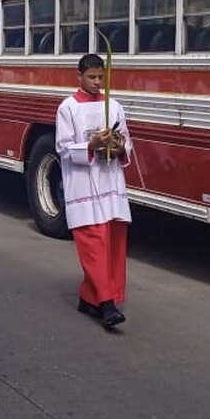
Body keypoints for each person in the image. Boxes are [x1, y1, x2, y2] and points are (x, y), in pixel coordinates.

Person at [56, 53, 133, 331]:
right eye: (91, 77)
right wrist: (92, 144)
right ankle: (106, 303)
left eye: (101, 77)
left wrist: (118, 143)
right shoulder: (68, 108)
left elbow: (127, 141)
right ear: (79, 76)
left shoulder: (114, 105)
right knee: (94, 242)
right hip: (83, 183)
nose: (97, 82)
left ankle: (90, 297)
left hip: (110, 181)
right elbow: (63, 147)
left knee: (112, 241)